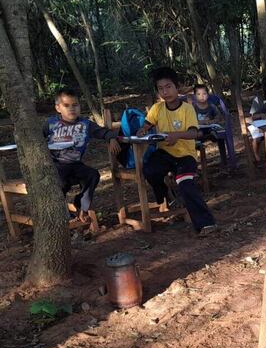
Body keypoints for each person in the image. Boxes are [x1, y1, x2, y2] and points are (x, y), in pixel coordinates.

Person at [137, 67, 217, 235]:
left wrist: (176, 135)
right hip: (164, 153)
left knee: (186, 184)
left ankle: (205, 224)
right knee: (150, 170)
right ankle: (164, 196)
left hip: (185, 155)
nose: (165, 92)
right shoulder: (157, 108)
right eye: (160, 89)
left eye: (168, 87)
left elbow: (194, 133)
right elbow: (147, 124)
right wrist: (143, 130)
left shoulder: (187, 108)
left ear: (177, 87)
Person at [45, 87, 120, 232]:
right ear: (58, 108)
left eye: (75, 105)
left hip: (75, 164)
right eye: (66, 105)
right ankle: (62, 213)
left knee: (92, 175)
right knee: (60, 181)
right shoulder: (51, 124)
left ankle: (82, 206)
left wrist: (111, 138)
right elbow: (36, 139)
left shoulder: (85, 125)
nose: (71, 109)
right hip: (56, 164)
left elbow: (103, 132)